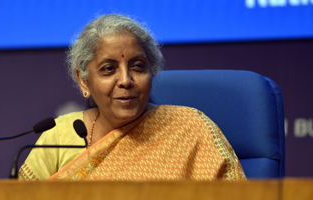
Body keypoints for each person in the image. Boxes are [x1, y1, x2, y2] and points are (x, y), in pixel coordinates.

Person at [18, 14, 246, 181]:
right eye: (109, 69)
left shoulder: (191, 128)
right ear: (84, 81)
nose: (126, 80)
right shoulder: (59, 136)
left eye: (138, 66)